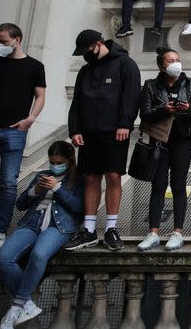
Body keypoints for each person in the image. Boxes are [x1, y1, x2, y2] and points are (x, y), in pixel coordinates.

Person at [64, 30, 141, 251]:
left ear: (99, 44)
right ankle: (88, 229)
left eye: (87, 50)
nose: (85, 55)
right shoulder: (85, 71)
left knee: (113, 176)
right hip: (88, 132)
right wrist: (75, 129)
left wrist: (125, 123)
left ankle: (111, 228)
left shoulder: (125, 64)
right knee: (90, 177)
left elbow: (131, 95)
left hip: (115, 130)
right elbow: (76, 101)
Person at [0, 141, 83, 329]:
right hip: (32, 223)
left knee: (39, 254)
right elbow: (20, 205)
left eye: (59, 162)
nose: (55, 165)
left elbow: (79, 208)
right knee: (3, 257)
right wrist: (34, 191)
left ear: (69, 161)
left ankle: (17, 306)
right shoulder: (41, 176)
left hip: (59, 227)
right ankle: (26, 303)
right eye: (52, 161)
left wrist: (58, 189)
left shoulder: (78, 180)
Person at [0, 23, 46, 251]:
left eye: (4, 41)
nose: (0, 45)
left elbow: (40, 96)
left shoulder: (34, 66)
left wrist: (30, 119)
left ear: (17, 39)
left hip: (14, 131)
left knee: (8, 183)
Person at [137, 48, 191, 251]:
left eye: (177, 60)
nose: (175, 63)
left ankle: (177, 232)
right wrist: (163, 110)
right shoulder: (150, 86)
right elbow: (145, 114)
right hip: (159, 140)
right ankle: (153, 233)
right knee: (158, 185)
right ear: (161, 65)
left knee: (178, 185)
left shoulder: (190, 84)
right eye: (170, 61)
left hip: (182, 139)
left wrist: (187, 109)